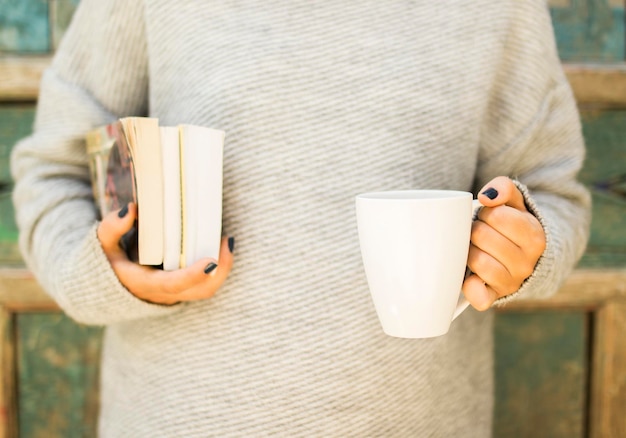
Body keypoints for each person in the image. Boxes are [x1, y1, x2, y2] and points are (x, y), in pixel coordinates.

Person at [11, 0, 590, 436]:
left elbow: (553, 194)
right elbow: (53, 171)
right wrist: (103, 273)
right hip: (176, 419)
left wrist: (524, 249)